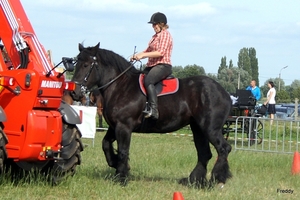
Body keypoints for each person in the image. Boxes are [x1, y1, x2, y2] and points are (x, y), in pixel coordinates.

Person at [130, 12, 173, 120]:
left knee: (148, 81)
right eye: (153, 25)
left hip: (163, 65)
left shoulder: (165, 35)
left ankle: (154, 109)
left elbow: (160, 52)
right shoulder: (154, 37)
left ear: (161, 24)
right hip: (151, 65)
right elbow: (147, 50)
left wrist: (143, 55)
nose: (153, 27)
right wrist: (137, 55)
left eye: (155, 24)